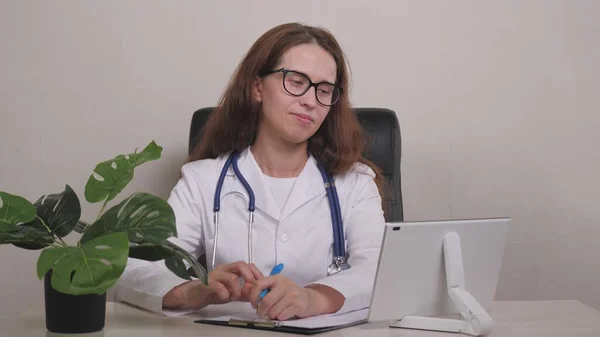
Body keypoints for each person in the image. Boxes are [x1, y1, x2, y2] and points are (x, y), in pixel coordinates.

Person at [113, 22, 387, 321]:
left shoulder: (354, 183)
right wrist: (194, 290)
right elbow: (133, 269)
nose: (310, 101)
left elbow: (380, 268)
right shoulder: (203, 181)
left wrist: (312, 298)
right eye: (296, 81)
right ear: (257, 87)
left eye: (324, 90)